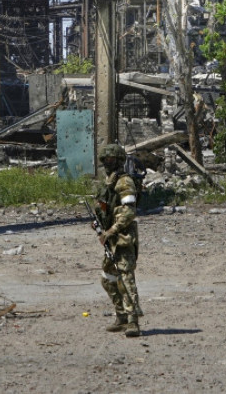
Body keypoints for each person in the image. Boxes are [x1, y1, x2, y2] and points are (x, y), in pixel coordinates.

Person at [93, 143, 143, 337]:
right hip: (110, 238)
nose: (108, 162)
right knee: (108, 278)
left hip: (123, 237)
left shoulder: (124, 182)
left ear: (120, 161)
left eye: (111, 159)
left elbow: (129, 211)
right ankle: (121, 315)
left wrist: (112, 230)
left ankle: (133, 321)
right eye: (105, 159)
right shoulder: (108, 182)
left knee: (126, 278)